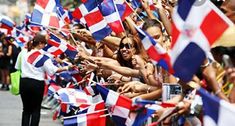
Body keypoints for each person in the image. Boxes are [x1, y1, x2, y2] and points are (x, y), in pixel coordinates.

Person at [15, 33, 75, 126]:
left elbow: (18, 66)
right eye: (44, 44)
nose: (45, 46)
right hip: (37, 83)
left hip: (24, 82)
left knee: (26, 109)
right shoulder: (44, 57)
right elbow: (52, 71)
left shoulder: (24, 52)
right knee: (35, 109)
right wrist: (67, 68)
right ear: (40, 44)